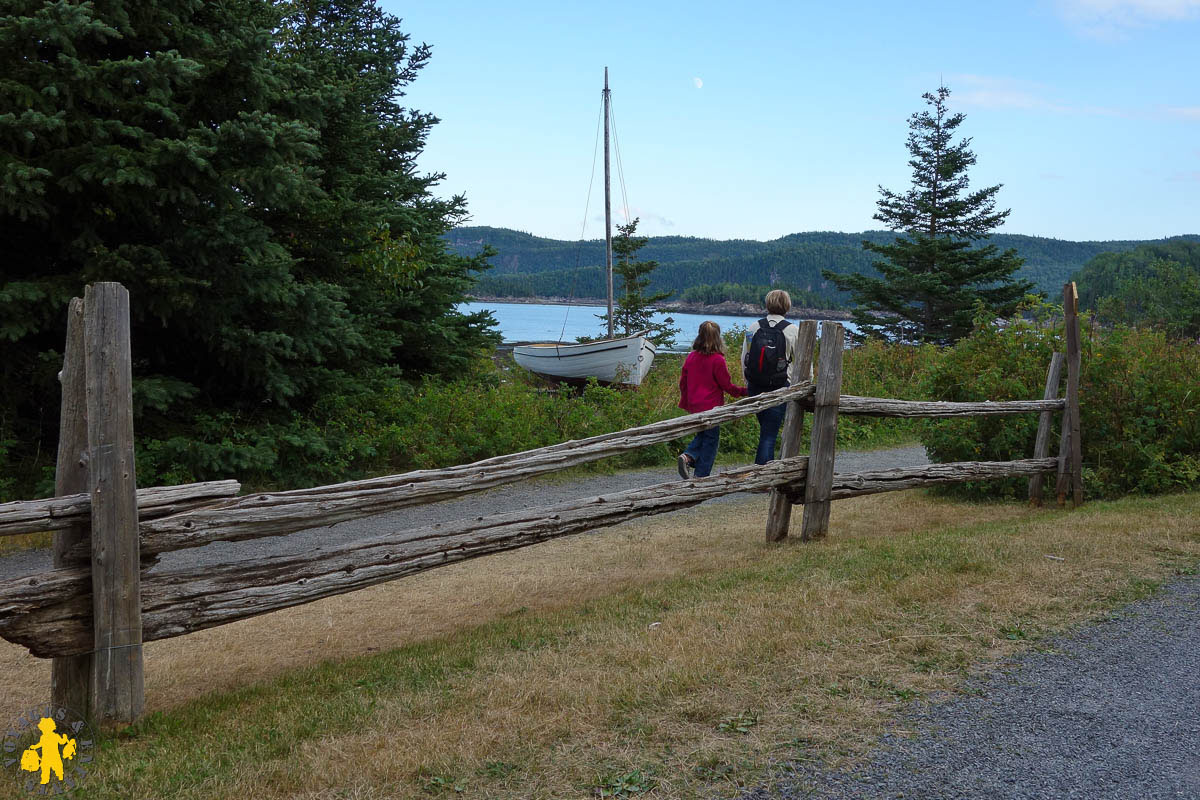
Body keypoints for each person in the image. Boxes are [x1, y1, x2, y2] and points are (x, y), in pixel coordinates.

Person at [739, 289, 810, 465]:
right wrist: (807, 381)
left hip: (755, 385)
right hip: (780, 385)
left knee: (765, 430)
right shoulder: (793, 330)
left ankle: (761, 471)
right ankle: (762, 476)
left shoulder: (753, 328)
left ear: (767, 304)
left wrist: (747, 380)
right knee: (769, 433)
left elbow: (745, 357)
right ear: (787, 306)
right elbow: (803, 360)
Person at [677, 321, 747, 479]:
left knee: (702, 435)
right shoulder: (717, 360)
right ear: (717, 338)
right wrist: (744, 391)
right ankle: (701, 474)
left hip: (695, 404)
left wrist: (686, 401)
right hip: (711, 407)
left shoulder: (691, 357)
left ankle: (689, 457)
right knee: (711, 440)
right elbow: (726, 385)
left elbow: (683, 382)